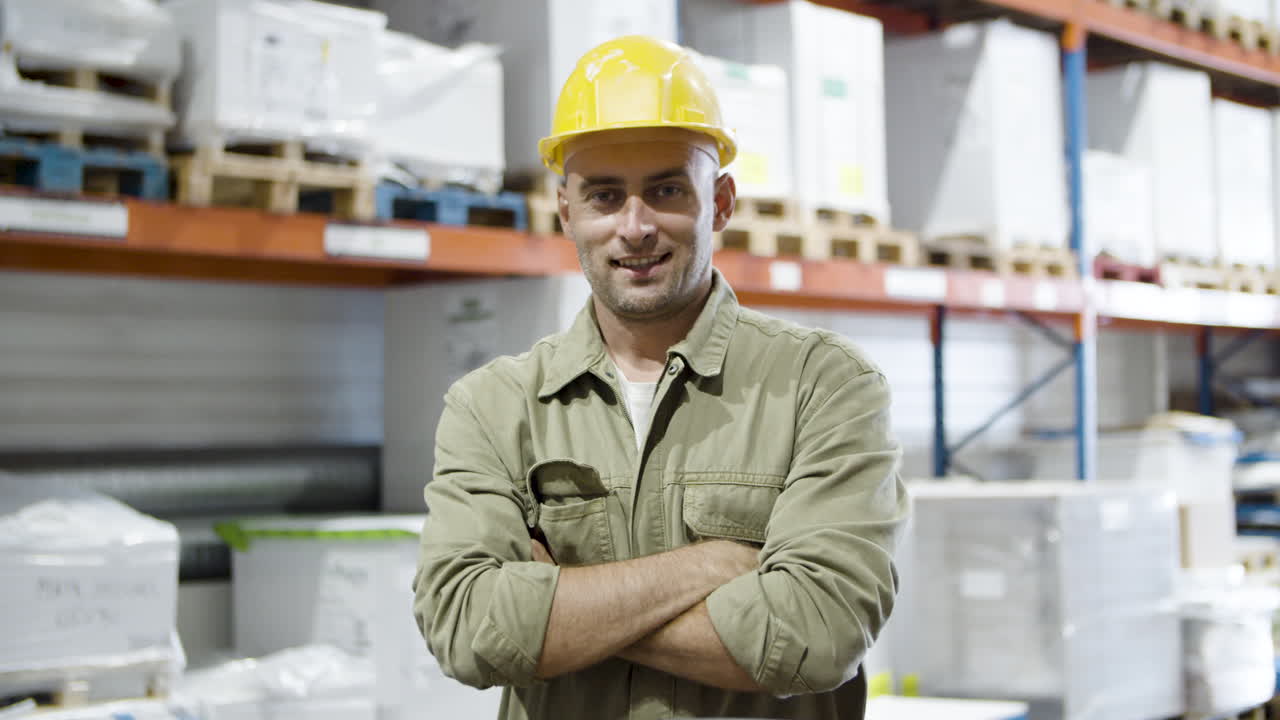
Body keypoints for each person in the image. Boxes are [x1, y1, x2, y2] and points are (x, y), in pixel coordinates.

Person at [413, 35, 908, 720]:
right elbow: (466, 628)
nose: (636, 226)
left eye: (667, 189)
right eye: (605, 196)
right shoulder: (494, 407)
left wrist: (559, 597)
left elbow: (817, 636)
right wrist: (703, 568)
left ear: (722, 201)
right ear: (567, 212)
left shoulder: (824, 387)